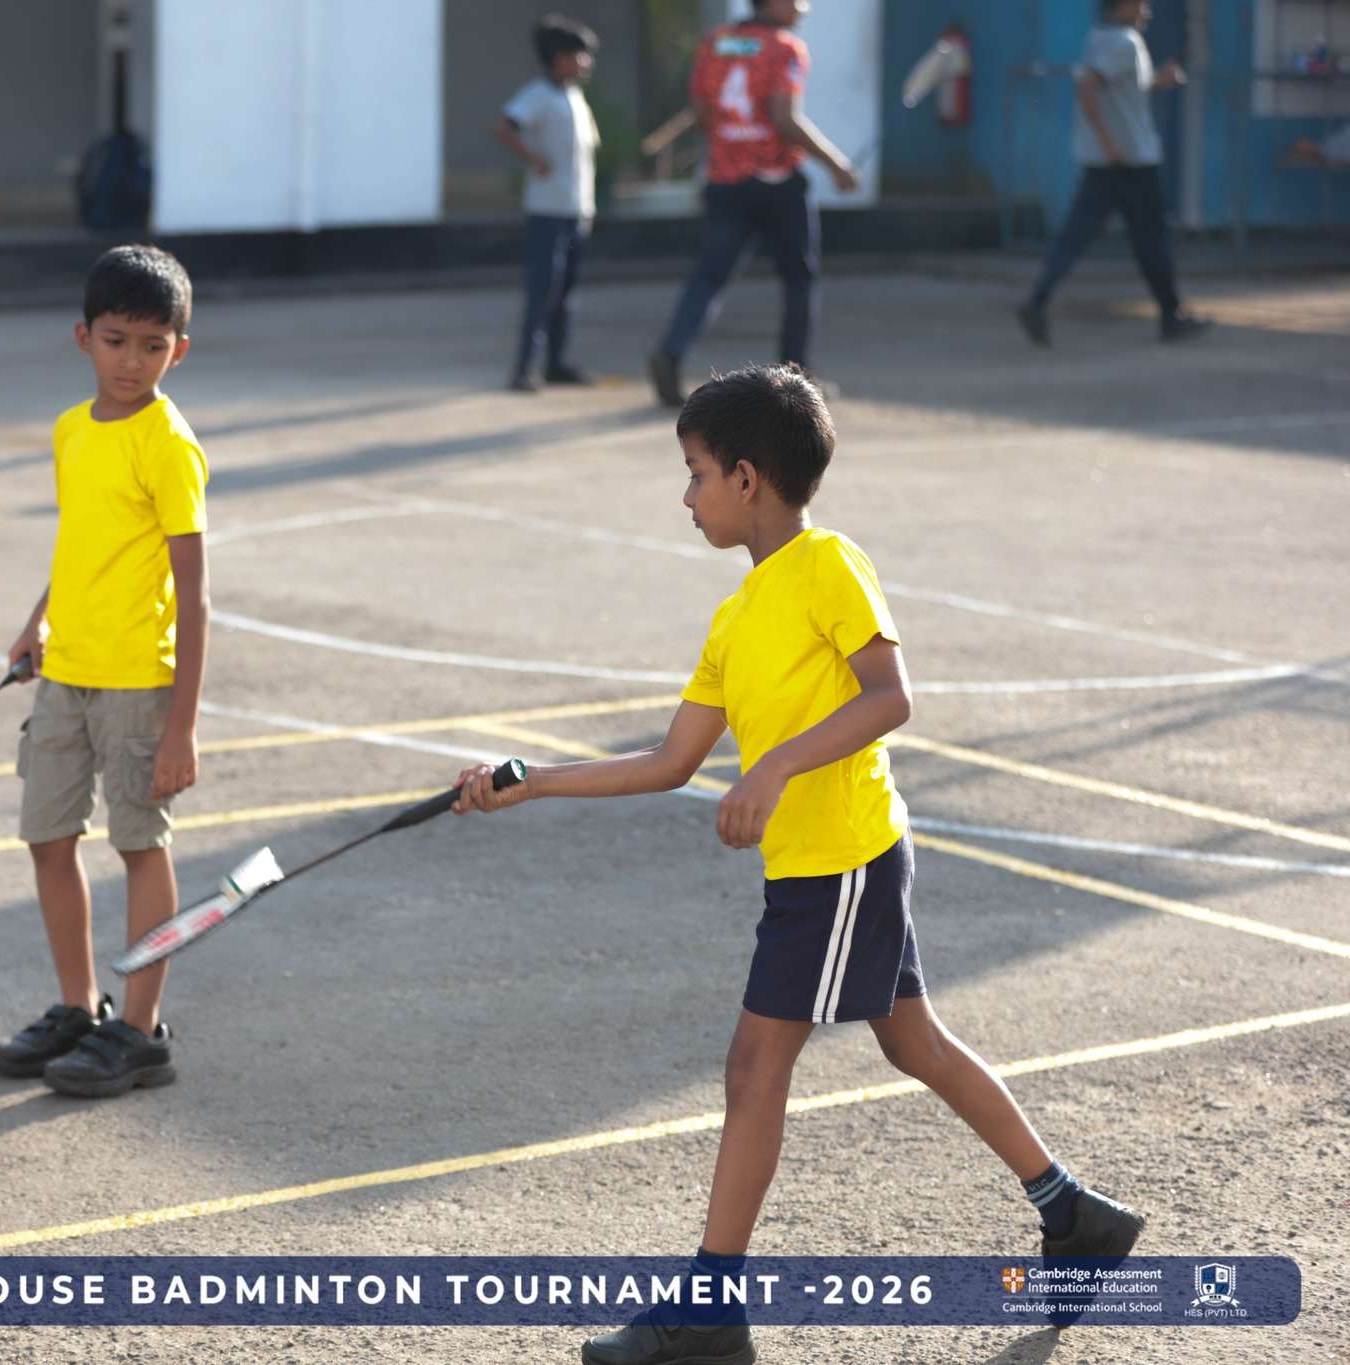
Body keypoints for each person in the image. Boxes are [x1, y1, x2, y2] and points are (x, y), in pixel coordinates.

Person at [451, 364, 1145, 1365]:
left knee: (754, 1065)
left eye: (694, 473)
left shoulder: (826, 564)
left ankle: (709, 1311)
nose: (685, 496)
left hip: (842, 860)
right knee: (912, 1042)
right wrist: (533, 781)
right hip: (819, 867)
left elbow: (888, 696)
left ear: (746, 477)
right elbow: (670, 761)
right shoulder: (735, 618)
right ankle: (1073, 1213)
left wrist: (774, 765)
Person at [0, 244, 210, 1099]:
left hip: (138, 684)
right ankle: (79, 1007)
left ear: (179, 350)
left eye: (153, 345)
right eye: (116, 340)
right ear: (84, 337)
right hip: (67, 673)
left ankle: (141, 1031)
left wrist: (181, 726)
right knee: (48, 837)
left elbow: (195, 596)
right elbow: (83, 541)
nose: (132, 361)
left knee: (139, 843)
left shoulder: (170, 445)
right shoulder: (72, 431)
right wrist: (38, 619)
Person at [648, 0, 858, 409]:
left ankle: (671, 353)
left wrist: (731, 145)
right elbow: (784, 118)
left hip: (726, 178)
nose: (804, 8)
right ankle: (795, 378)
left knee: (710, 275)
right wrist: (837, 164)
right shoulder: (785, 47)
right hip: (777, 181)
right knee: (798, 278)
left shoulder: (719, 42)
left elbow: (702, 111)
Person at [1017, 0, 1210, 346]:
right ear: (1125, 5)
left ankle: (1038, 301)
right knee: (1151, 240)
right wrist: (1108, 145)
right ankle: (1171, 316)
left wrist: (1158, 80)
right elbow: (1087, 86)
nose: (1147, 11)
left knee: (1076, 236)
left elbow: (1123, 88)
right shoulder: (1125, 42)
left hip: (1108, 161)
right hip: (1129, 161)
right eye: (1142, 4)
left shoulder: (1100, 37)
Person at [494, 14, 602, 393]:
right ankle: (525, 366)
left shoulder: (574, 96)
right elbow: (504, 126)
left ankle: (557, 362)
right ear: (560, 58)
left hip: (577, 210)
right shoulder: (538, 94)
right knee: (543, 291)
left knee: (567, 292)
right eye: (579, 55)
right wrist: (533, 159)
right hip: (548, 212)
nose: (585, 63)